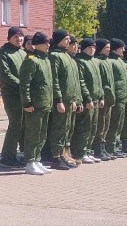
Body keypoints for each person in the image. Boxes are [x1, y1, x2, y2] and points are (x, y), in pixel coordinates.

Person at [46, 30, 83, 170]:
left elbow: (74, 82)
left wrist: (76, 100)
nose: (69, 42)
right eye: (66, 39)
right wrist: (58, 99)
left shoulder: (68, 57)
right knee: (59, 129)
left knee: (67, 129)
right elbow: (54, 80)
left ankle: (64, 154)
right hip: (62, 100)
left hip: (70, 99)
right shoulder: (55, 56)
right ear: (59, 40)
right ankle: (56, 157)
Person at [19, 32, 54, 175]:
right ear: (37, 45)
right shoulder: (31, 60)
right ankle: (30, 161)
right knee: (33, 133)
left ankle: (37, 159)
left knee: (42, 134)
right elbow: (25, 84)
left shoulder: (46, 60)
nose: (48, 45)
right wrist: (27, 102)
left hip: (45, 103)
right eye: (45, 43)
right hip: (35, 104)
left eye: (48, 43)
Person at [0, 26, 26, 168]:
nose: (19, 39)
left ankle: (23, 153)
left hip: (24, 93)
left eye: (21, 36)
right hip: (12, 94)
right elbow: (6, 75)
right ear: (9, 38)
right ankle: (7, 157)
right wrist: (22, 85)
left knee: (24, 124)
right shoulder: (3, 54)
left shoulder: (23, 53)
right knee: (15, 124)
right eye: (16, 36)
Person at [71, 37, 103, 165]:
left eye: (94, 47)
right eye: (90, 47)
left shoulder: (95, 61)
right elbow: (81, 81)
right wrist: (87, 98)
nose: (92, 50)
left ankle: (88, 151)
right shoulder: (80, 61)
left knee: (93, 127)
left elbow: (99, 81)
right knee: (84, 127)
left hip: (96, 99)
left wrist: (101, 96)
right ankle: (80, 152)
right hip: (87, 100)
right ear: (83, 48)